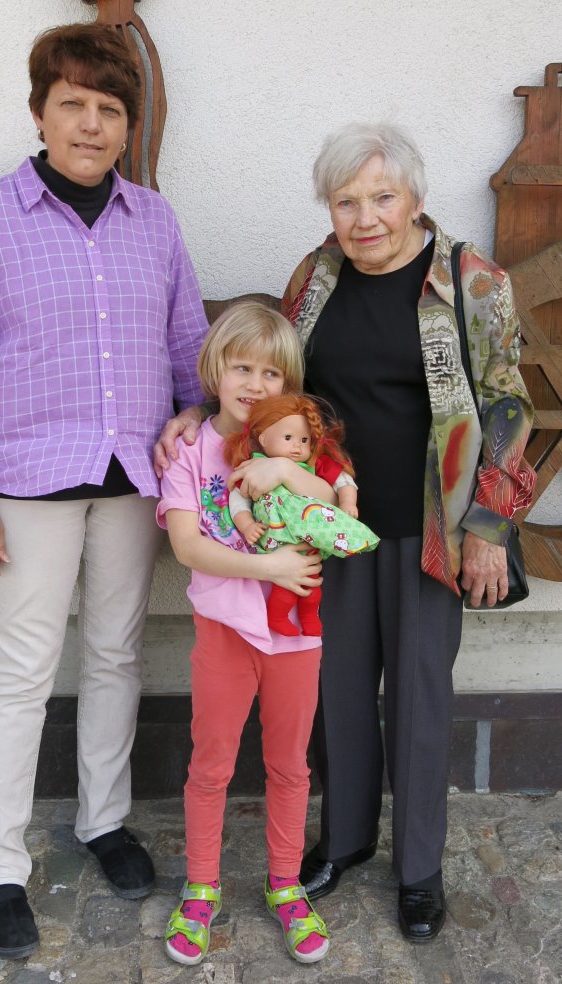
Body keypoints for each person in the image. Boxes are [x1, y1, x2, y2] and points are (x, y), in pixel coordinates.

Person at [153, 123, 536, 943]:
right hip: (326, 529)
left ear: (415, 200)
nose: (364, 217)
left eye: (381, 198)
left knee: (421, 699)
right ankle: (346, 839)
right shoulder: (315, 276)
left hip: (429, 529)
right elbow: (272, 386)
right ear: (329, 208)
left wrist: (488, 526)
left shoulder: (470, 280)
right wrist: (195, 411)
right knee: (334, 695)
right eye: (346, 200)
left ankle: (420, 870)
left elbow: (507, 403)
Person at [0, 23, 208, 959]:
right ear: (41, 112)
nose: (91, 124)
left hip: (131, 477)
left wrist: (190, 420)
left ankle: (103, 820)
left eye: (109, 109)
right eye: (73, 105)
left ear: (129, 125)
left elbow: (180, 348)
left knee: (119, 652)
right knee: (22, 668)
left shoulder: (154, 221)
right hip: (26, 484)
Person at [157, 302, 331, 966]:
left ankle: (284, 886)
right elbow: (188, 549)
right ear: (213, 370)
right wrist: (269, 565)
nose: (255, 385)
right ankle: (201, 886)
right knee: (212, 765)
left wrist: (288, 471)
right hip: (224, 634)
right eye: (242, 368)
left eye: (271, 373)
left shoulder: (300, 450)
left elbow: (335, 504)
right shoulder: (190, 454)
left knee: (289, 765)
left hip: (295, 639)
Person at [224, 393, 378, 636]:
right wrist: (247, 526)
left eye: (304, 440)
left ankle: (310, 620)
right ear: (263, 438)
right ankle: (277, 616)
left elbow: (343, 480)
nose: (297, 446)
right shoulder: (255, 467)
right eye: (288, 438)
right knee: (285, 590)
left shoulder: (315, 465)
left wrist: (348, 502)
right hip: (277, 544)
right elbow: (238, 501)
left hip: (308, 543)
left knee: (312, 587)